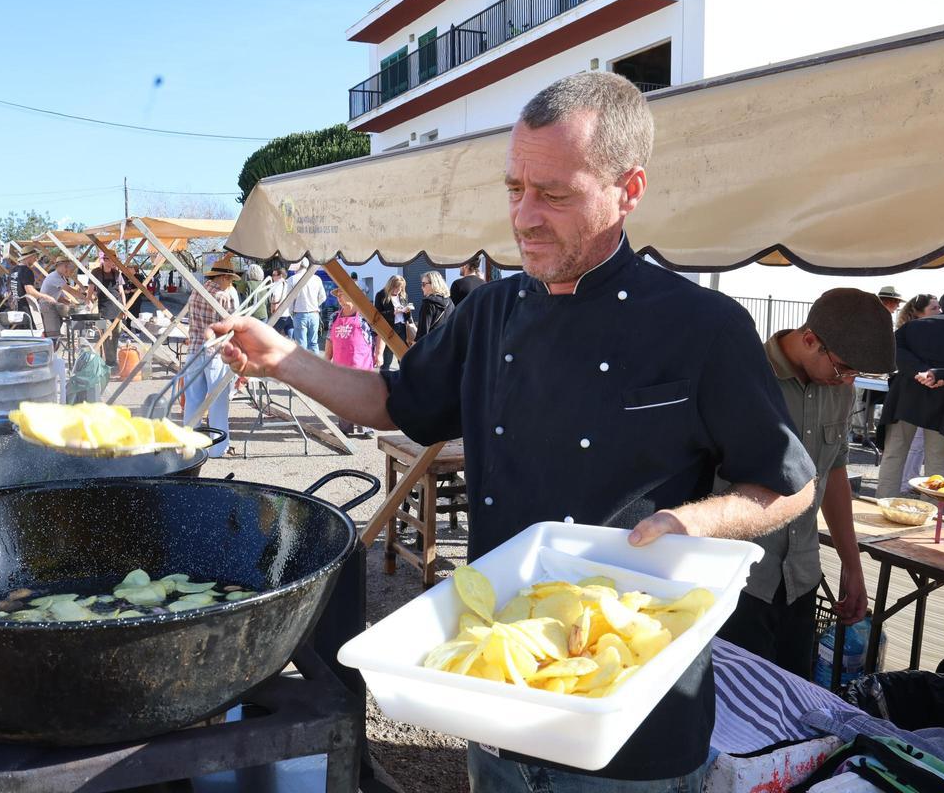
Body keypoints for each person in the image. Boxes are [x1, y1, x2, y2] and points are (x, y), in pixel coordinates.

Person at [212, 71, 816, 792]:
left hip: (634, 714)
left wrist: (694, 521)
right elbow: (392, 402)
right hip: (500, 695)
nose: (524, 216)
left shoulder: (704, 327)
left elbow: (789, 485)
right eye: (514, 189)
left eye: (554, 195)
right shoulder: (489, 311)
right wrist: (282, 357)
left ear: (630, 189)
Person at [717, 288, 892, 678]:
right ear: (810, 339)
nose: (848, 382)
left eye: (856, 374)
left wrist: (851, 561)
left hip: (801, 574)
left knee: (796, 694)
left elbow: (834, 471)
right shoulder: (742, 375)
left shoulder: (840, 390)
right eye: (843, 368)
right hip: (738, 577)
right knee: (740, 704)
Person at [876, 290, 944, 498]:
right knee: (937, 460)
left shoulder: (912, 326)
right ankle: (935, 515)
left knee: (894, 454)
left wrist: (920, 371)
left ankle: (882, 505)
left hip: (905, 396)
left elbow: (892, 350)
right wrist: (939, 374)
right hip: (941, 399)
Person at [184, 256, 241, 458]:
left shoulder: (197, 292)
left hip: (193, 350)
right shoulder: (225, 296)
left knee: (192, 401)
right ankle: (219, 448)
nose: (231, 283)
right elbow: (234, 325)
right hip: (215, 352)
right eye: (231, 279)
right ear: (224, 277)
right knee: (218, 401)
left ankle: (189, 446)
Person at [893, 294, 942, 488]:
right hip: (913, 396)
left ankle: (909, 482)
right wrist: (927, 373)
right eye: (934, 308)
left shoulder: (927, 332)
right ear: (918, 312)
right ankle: (907, 483)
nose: (939, 311)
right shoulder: (909, 334)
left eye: (939, 307)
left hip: (927, 394)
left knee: (919, 445)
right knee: (913, 444)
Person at [325, 286, 379, 437]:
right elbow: (329, 339)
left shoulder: (365, 315)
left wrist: (379, 353)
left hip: (361, 363)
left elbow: (380, 334)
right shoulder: (335, 317)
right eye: (338, 295)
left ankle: (366, 428)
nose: (339, 298)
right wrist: (326, 359)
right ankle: (345, 427)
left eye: (342, 294)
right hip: (341, 364)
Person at [88, 254, 128, 374]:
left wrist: (124, 307)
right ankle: (107, 361)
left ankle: (112, 361)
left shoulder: (117, 273)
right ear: (104, 260)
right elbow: (90, 289)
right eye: (110, 260)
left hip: (117, 308)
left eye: (114, 261)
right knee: (104, 336)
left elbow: (121, 292)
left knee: (116, 335)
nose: (113, 263)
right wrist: (88, 301)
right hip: (102, 309)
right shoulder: (96, 272)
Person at [38, 258, 80, 348]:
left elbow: (59, 297)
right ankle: (50, 356)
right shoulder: (55, 277)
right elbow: (70, 290)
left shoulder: (61, 277)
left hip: (51, 305)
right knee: (53, 336)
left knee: (55, 335)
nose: (68, 269)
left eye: (68, 266)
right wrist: (85, 297)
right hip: (47, 306)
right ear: (58, 266)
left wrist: (69, 302)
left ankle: (71, 342)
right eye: (66, 266)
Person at [373, 275, 412, 368]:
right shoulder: (381, 295)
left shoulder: (403, 295)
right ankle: (385, 380)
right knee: (387, 358)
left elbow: (407, 315)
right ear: (391, 286)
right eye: (397, 288)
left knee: (403, 357)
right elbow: (377, 315)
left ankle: (403, 380)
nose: (399, 290)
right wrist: (393, 312)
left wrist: (407, 310)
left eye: (401, 288)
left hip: (402, 328)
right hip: (388, 329)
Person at [288, 263, 327, 353]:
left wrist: (291, 312)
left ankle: (303, 366)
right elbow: (323, 297)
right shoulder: (317, 279)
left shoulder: (292, 279)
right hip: (314, 313)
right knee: (313, 343)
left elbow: (289, 300)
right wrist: (315, 304)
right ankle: (316, 365)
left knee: (301, 345)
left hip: (299, 313)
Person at [6, 252, 42, 329]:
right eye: (34, 257)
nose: (36, 260)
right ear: (29, 257)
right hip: (25, 308)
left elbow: (9, 289)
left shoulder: (13, 270)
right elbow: (30, 290)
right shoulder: (27, 270)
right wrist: (45, 297)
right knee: (29, 333)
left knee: (17, 334)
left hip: (14, 307)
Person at [415, 272, 454, 341]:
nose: (421, 287)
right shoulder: (450, 302)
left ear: (433, 284)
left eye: (423, 284)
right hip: (448, 344)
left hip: (432, 345)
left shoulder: (428, 303)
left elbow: (422, 332)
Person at [268, 266, 294, 337]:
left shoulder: (276, 285)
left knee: (274, 338)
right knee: (290, 339)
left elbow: (275, 299)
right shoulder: (288, 283)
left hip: (279, 316)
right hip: (289, 316)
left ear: (280, 276)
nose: (272, 277)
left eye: (274, 275)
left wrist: (273, 313)